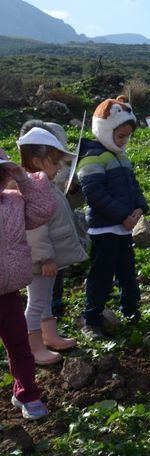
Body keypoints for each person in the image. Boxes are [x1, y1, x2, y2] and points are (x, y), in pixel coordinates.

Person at [78, 96, 148, 340]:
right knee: (101, 276)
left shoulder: (122, 156)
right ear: (105, 131)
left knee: (127, 272)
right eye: (120, 136)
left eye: (127, 136)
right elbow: (94, 194)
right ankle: (91, 320)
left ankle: (131, 312)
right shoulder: (91, 158)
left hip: (123, 228)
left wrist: (140, 207)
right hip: (104, 230)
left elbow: (134, 186)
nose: (124, 141)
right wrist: (122, 216)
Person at [18, 127, 87, 364]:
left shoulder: (43, 185)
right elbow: (35, 230)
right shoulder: (35, 190)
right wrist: (45, 258)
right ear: (37, 161)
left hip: (47, 259)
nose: (59, 167)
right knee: (36, 302)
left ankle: (49, 336)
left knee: (44, 298)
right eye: (55, 162)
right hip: (40, 262)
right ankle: (33, 348)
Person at [0, 150, 55, 419]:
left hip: (8, 292)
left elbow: (44, 209)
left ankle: (27, 394)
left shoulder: (13, 202)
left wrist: (21, 177)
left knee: (19, 344)